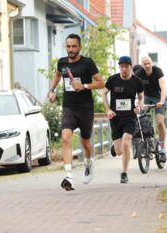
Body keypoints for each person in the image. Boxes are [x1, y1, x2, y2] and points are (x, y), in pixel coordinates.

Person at [48, 33, 104, 191]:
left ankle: (88, 163)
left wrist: (84, 86)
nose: (71, 49)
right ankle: (68, 177)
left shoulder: (87, 63)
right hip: (69, 107)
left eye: (74, 46)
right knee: (66, 137)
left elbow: (101, 83)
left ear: (79, 47)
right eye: (68, 46)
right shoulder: (62, 63)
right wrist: (52, 90)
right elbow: (58, 75)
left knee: (85, 142)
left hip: (85, 108)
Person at [102, 56, 144, 183]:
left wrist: (139, 107)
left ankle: (124, 173)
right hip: (115, 117)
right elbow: (103, 93)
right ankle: (115, 148)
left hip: (130, 117)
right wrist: (108, 109)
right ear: (119, 67)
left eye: (126, 66)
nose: (124, 69)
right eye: (122, 66)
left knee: (126, 143)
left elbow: (141, 97)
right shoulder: (113, 80)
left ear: (131, 67)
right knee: (119, 151)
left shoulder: (137, 81)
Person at [134, 56, 167, 162]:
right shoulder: (139, 73)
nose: (147, 66)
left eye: (149, 63)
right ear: (142, 65)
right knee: (140, 117)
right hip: (146, 97)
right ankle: (144, 142)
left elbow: (163, 88)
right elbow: (137, 90)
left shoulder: (158, 71)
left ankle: (162, 147)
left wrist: (161, 101)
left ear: (151, 63)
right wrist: (140, 104)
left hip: (158, 98)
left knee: (160, 122)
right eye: (145, 64)